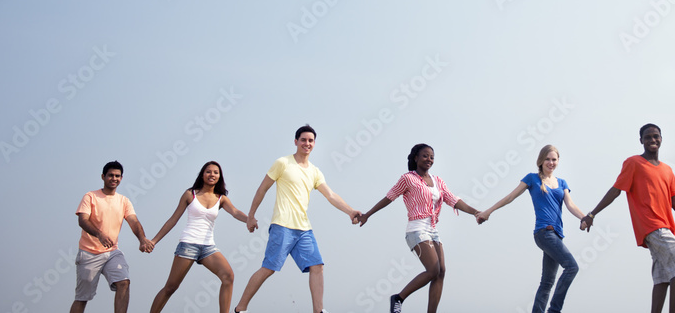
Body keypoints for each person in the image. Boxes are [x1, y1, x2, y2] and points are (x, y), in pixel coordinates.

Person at [580, 124, 675, 313]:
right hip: (651, 226)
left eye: (656, 136)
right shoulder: (633, 163)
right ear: (641, 141)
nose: (652, 140)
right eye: (647, 137)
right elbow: (616, 190)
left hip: (666, 227)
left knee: (662, 276)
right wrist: (592, 214)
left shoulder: (667, 170)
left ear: (661, 138)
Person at [233, 125, 362, 313]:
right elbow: (262, 189)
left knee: (317, 266)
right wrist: (251, 216)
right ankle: (240, 308)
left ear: (314, 144)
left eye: (310, 141)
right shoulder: (282, 163)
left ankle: (319, 311)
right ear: (296, 142)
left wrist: (350, 211)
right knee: (268, 268)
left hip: (304, 229)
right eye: (303, 140)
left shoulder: (315, 172)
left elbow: (331, 195)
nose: (307, 143)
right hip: (282, 226)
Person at [357, 143, 481, 313]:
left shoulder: (438, 181)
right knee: (433, 270)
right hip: (416, 229)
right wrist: (367, 214)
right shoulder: (408, 178)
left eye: (432, 157)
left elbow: (453, 200)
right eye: (425, 156)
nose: (429, 159)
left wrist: (475, 212)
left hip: (432, 230)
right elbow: (389, 197)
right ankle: (398, 298)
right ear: (415, 158)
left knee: (441, 272)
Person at [476, 144, 586, 313]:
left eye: (554, 159)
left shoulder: (562, 182)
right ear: (541, 161)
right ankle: (554, 310)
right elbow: (510, 196)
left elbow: (570, 205)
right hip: (544, 233)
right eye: (547, 159)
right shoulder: (532, 178)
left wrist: (584, 218)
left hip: (557, 235)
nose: (551, 162)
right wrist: (488, 211)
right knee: (572, 267)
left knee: (547, 282)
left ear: (558, 161)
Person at [149, 161, 249, 313]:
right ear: (202, 174)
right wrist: (154, 241)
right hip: (188, 244)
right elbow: (173, 219)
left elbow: (235, 212)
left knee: (228, 276)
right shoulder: (190, 194)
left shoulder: (221, 198)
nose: (212, 175)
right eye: (208, 171)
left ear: (219, 176)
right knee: (171, 287)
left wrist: (249, 219)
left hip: (208, 247)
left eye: (216, 172)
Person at [71, 161, 154, 313]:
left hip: (111, 252)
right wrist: (99, 234)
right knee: (82, 298)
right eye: (110, 175)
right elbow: (82, 220)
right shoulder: (90, 197)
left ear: (121, 178)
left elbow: (134, 221)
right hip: (89, 252)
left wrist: (142, 239)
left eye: (117, 176)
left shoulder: (124, 201)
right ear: (103, 177)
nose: (114, 178)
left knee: (124, 282)